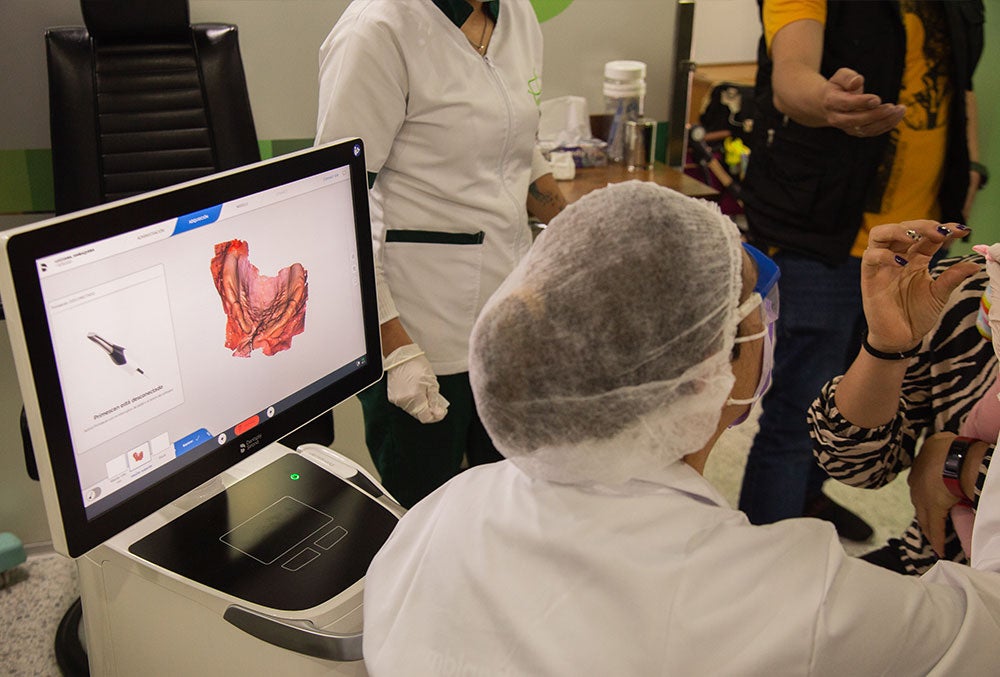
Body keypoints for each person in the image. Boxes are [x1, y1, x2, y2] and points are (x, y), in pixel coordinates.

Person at [361, 182, 1000, 675]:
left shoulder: (442, 512)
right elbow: (985, 633)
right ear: (709, 372)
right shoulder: (793, 601)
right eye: (752, 305)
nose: (768, 322)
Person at [738, 0, 986, 537]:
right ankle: (764, 561)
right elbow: (791, 77)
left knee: (852, 405)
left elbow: (958, 86)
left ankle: (808, 499)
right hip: (823, 237)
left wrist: (971, 167)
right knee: (795, 417)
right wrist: (826, 100)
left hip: (917, 243)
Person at [314, 0, 567, 507]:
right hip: (419, 324)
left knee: (512, 502)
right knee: (426, 513)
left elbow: (517, 137)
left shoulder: (516, 15)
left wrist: (578, 235)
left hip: (508, 318)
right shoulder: (377, 30)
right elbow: (336, 203)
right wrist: (394, 347)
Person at [809, 235, 1000, 574]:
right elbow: (854, 464)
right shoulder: (968, 291)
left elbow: (950, 466)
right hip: (933, 566)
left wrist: (959, 464)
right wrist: (885, 347)